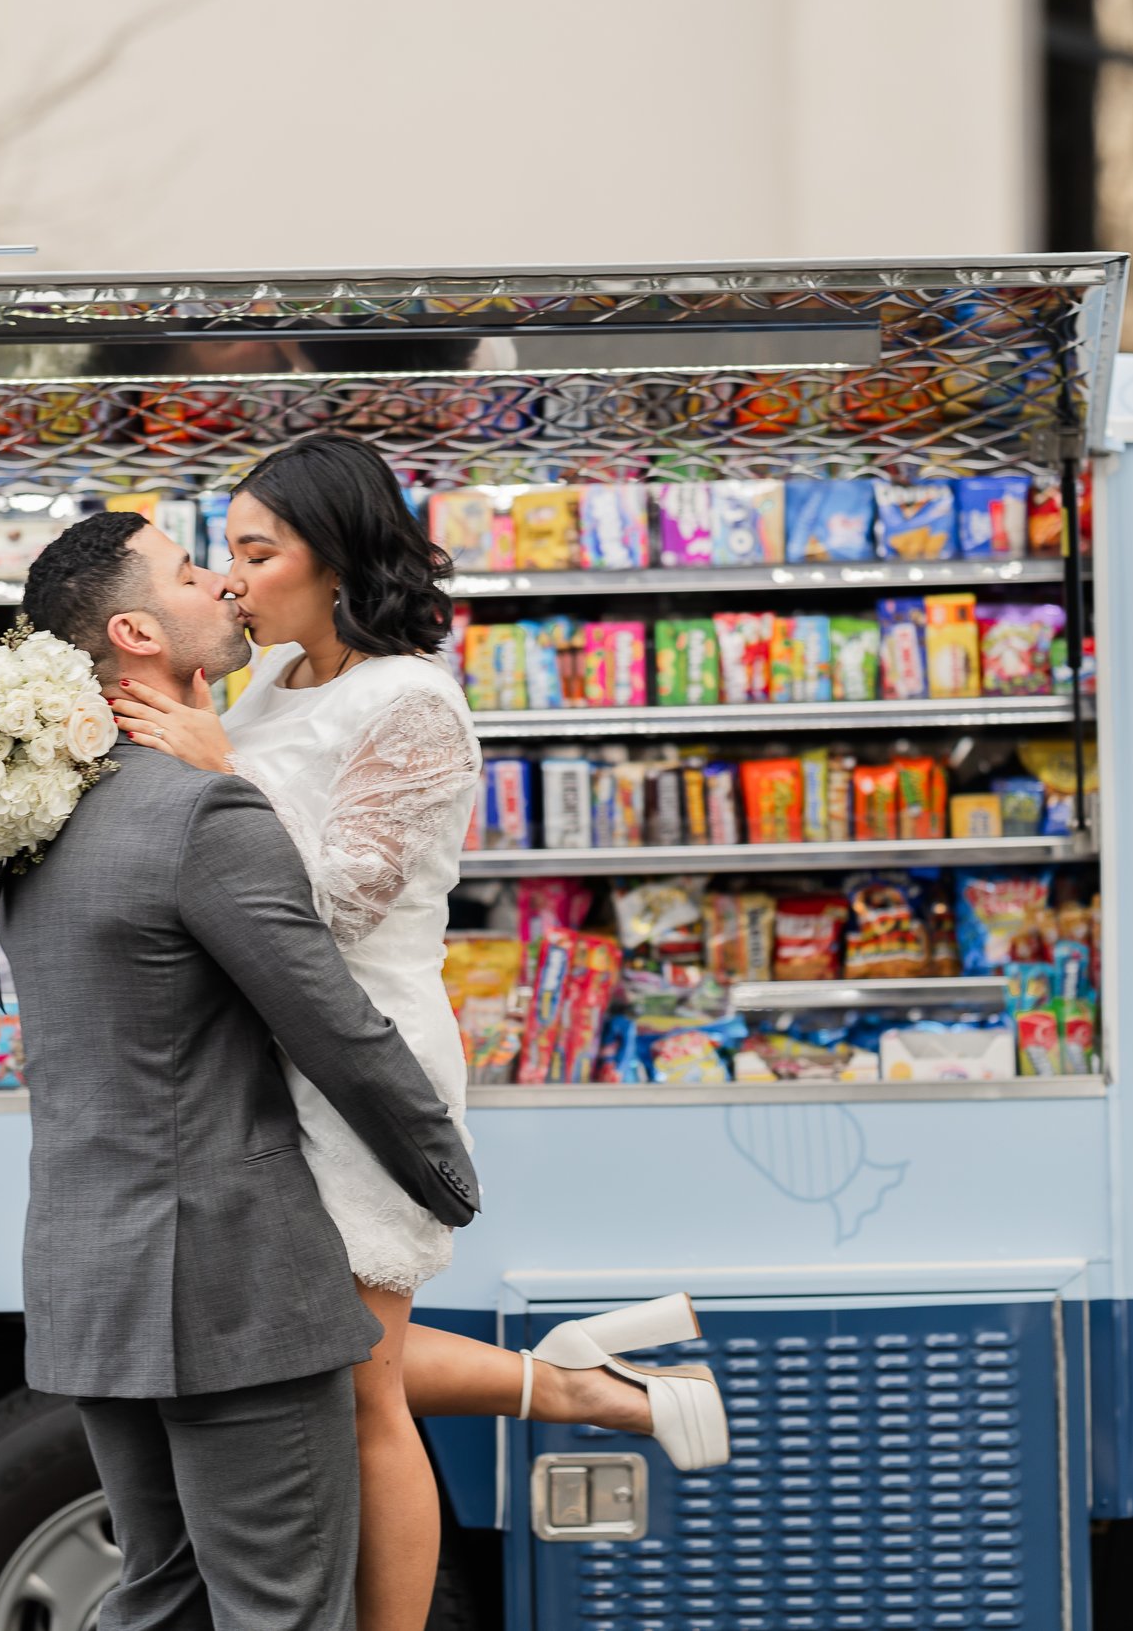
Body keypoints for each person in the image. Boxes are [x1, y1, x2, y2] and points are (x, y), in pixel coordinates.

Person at [109, 432, 730, 1631]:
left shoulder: (413, 702)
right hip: (258, 1057)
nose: (231, 578)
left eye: (256, 551)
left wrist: (222, 768)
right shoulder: (267, 682)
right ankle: (584, 1386)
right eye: (224, 552)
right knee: (320, 1357)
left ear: (333, 558)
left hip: (357, 1053)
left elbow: (339, 899)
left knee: (357, 1386)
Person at [0, 507, 481, 1631]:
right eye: (191, 569)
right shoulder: (201, 806)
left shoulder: (29, 813)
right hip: (231, 1285)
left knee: (157, 1593)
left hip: (88, 1275)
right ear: (133, 630)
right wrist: (442, 1168)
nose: (221, 583)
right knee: (282, 1604)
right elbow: (328, 1017)